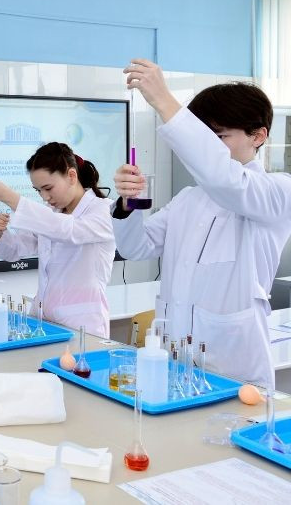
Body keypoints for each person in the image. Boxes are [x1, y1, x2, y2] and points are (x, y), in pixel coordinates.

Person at [113, 59, 291, 387]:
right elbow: (135, 247)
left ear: (258, 136)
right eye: (203, 137)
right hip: (173, 359)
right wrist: (128, 205)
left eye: (218, 136)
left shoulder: (278, 191)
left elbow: (226, 180)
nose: (208, 146)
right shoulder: (188, 199)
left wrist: (164, 100)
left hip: (233, 365)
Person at [0, 142, 115, 338]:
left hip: (82, 326)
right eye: (38, 190)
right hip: (42, 321)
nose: (45, 197)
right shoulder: (51, 213)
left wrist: (8, 197)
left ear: (71, 176)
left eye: (48, 188)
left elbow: (68, 230)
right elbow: (14, 250)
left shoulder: (104, 210)